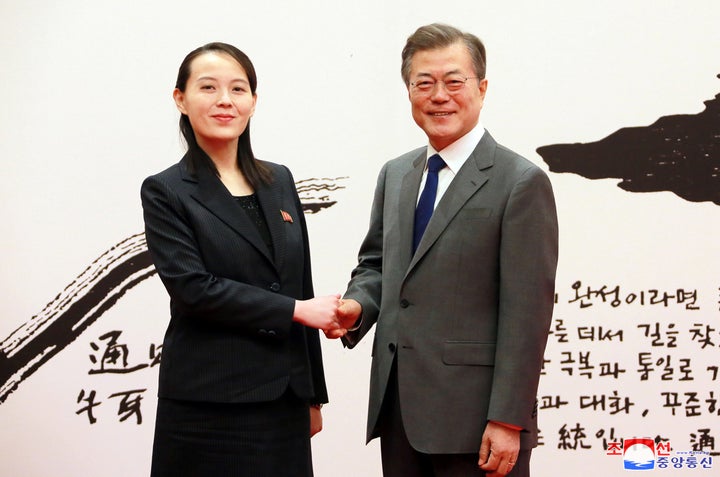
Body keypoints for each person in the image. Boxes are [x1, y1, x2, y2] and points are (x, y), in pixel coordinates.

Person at [333, 24, 559, 477]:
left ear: (482, 87)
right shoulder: (396, 173)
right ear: (409, 91)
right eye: (424, 83)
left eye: (454, 81)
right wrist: (358, 306)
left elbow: (527, 312)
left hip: (476, 422)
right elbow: (377, 265)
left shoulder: (520, 181)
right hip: (399, 409)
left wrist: (507, 418)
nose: (439, 95)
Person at [141, 42, 342, 477]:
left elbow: (298, 282)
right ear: (180, 98)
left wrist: (311, 395)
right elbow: (194, 289)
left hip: (284, 400)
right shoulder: (166, 190)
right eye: (208, 87)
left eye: (238, 88)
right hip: (208, 404)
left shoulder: (280, 180)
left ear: (253, 101)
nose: (225, 100)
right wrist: (295, 311)